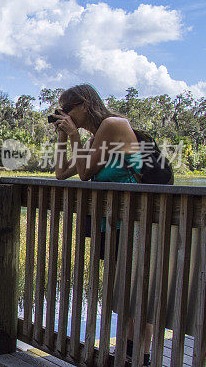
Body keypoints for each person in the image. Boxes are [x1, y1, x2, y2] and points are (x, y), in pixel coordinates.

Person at [51, 83, 151, 365]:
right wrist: (63, 135)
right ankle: (132, 357)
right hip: (115, 225)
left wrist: (73, 136)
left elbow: (83, 174)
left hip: (135, 223)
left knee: (136, 294)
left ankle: (140, 357)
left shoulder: (112, 125)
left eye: (68, 110)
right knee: (125, 294)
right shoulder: (96, 137)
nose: (66, 115)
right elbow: (61, 173)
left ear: (84, 104)